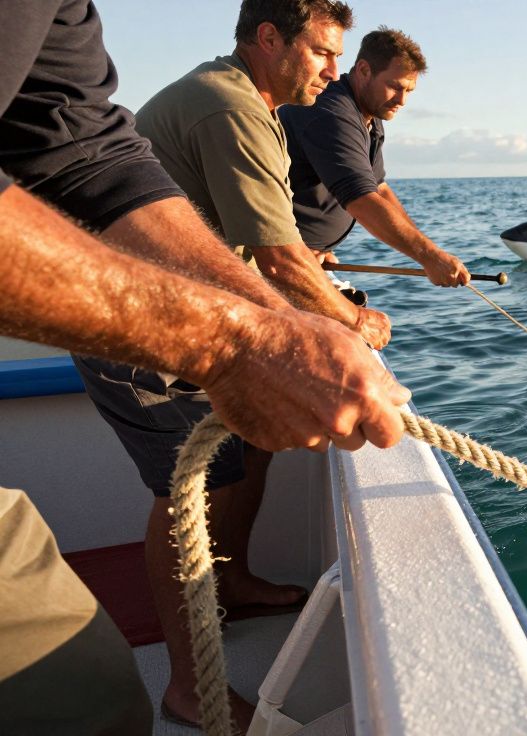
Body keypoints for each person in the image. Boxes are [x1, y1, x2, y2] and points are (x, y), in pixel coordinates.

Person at [0, 0, 409, 733]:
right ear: (267, 39)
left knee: (247, 453)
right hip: (122, 318)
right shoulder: (231, 107)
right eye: (320, 51)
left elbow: (88, 158)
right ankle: (190, 684)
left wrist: (275, 331)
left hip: (175, 299)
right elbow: (280, 255)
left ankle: (234, 582)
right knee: (183, 503)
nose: (333, 71)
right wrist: (242, 341)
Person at [279, 27, 471, 287]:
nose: (402, 100)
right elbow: (360, 198)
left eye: (409, 91)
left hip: (312, 256)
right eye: (394, 86)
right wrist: (428, 256)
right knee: (357, 327)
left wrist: (432, 253)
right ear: (363, 70)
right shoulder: (331, 112)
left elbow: (379, 190)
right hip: (278, 255)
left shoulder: (370, 116)